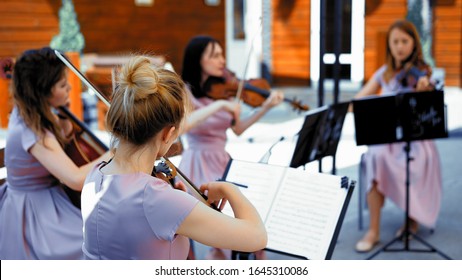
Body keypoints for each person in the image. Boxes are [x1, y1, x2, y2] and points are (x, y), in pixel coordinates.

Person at [80, 55, 267, 260]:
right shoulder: (156, 198)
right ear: (168, 134)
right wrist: (229, 188)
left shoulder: (94, 175)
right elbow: (256, 237)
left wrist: (174, 203)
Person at [178, 35, 284, 259]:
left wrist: (264, 107)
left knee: (248, 214)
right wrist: (219, 105)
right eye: (214, 55)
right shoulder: (184, 91)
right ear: (198, 60)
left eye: (221, 54)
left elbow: (237, 129)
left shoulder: (222, 88)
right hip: (198, 162)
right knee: (223, 225)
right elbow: (184, 124)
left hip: (222, 159)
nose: (222, 60)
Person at [0, 47, 111, 259]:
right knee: (96, 247)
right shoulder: (32, 130)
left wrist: (64, 124)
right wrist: (119, 151)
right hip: (33, 213)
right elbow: (77, 179)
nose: (70, 87)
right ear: (42, 91)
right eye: (62, 84)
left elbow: (63, 146)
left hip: (49, 197)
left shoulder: (31, 112)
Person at [353, 20, 442, 253]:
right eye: (395, 42)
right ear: (389, 46)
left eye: (405, 41)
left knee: (413, 162)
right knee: (373, 156)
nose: (400, 46)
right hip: (387, 138)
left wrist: (424, 91)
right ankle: (373, 230)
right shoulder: (384, 72)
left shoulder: (421, 73)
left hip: (415, 140)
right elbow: (358, 101)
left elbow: (430, 100)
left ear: (414, 44)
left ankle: (412, 218)